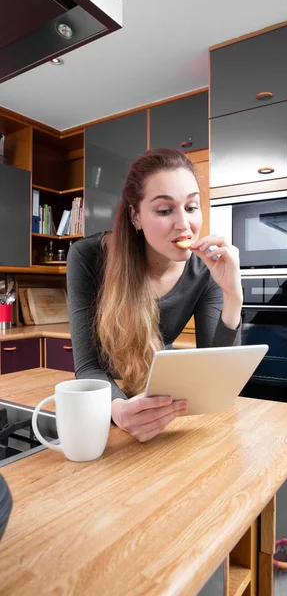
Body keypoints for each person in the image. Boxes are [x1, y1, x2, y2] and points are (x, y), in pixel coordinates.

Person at [67, 148, 242, 442]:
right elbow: (88, 366)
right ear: (135, 216)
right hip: (108, 405)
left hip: (165, 404)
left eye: (191, 207)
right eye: (164, 210)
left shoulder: (206, 271)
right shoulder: (88, 257)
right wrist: (118, 409)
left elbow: (217, 373)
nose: (184, 224)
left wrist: (232, 295)